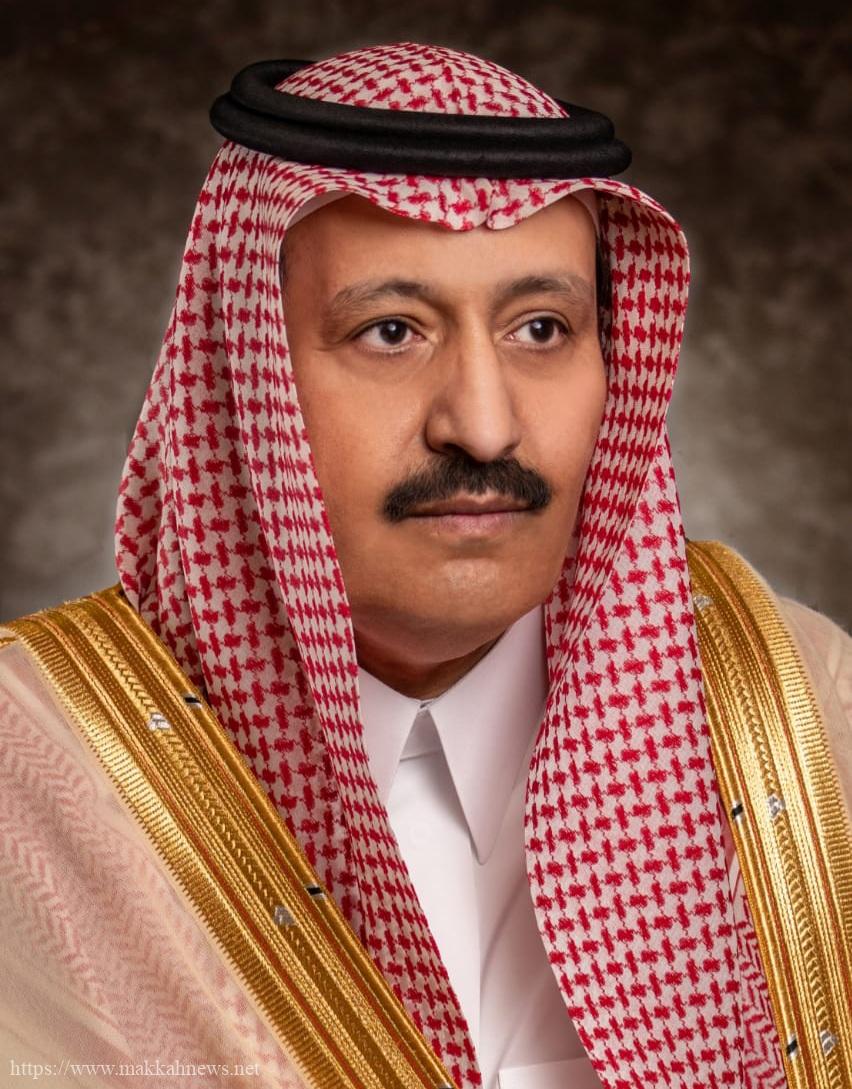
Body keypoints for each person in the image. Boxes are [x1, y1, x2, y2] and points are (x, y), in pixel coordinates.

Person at [1, 41, 849, 1089]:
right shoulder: (29, 773)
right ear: (244, 374)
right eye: (392, 332)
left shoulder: (797, 705)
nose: (484, 427)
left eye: (542, 328)